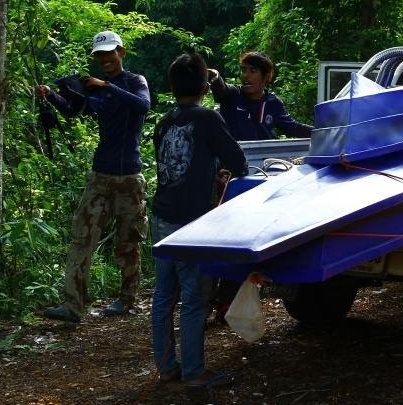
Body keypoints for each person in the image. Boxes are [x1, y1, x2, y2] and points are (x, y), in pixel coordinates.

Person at [37, 30, 150, 323]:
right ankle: (73, 306)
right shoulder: (96, 88)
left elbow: (143, 106)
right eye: (100, 55)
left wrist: (107, 86)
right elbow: (74, 111)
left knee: (128, 242)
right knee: (81, 239)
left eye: (109, 53)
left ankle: (127, 299)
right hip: (100, 176)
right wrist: (52, 97)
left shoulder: (135, 82)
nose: (105, 59)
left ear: (121, 53)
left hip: (129, 177)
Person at [151, 52, 247, 388]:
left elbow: (172, 170)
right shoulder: (208, 118)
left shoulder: (164, 122)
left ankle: (166, 368)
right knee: (194, 298)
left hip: (161, 216)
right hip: (192, 225)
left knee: (164, 295)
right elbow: (238, 160)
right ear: (206, 84)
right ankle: (194, 372)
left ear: (173, 86)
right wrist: (222, 179)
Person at [209, 51, 313, 141]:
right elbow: (221, 90)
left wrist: (324, 131)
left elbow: (293, 128)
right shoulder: (233, 94)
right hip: (232, 160)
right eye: (244, 70)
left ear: (266, 76)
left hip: (261, 159)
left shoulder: (273, 103)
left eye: (252, 71)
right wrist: (215, 76)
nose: (245, 75)